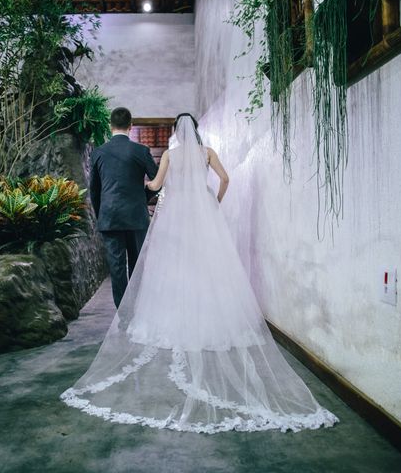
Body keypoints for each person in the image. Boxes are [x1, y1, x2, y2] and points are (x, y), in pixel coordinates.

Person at [61, 114, 338, 434]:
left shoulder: (169, 155)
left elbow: (155, 184)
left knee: (174, 269)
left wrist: (142, 185)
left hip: (175, 217)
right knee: (208, 266)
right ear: (196, 130)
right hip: (205, 214)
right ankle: (209, 318)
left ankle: (173, 316)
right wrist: (214, 202)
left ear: (177, 134)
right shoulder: (207, 153)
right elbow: (225, 180)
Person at [89, 107, 158, 308]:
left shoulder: (98, 152)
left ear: (111, 126)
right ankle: (136, 311)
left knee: (117, 268)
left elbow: (94, 190)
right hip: (136, 217)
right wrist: (142, 197)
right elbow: (157, 181)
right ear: (131, 125)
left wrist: (100, 214)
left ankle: (123, 317)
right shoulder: (141, 151)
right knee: (137, 267)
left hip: (109, 218)